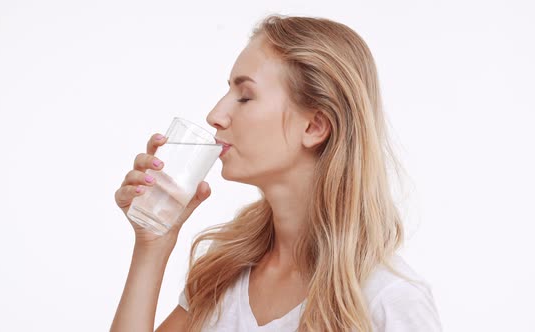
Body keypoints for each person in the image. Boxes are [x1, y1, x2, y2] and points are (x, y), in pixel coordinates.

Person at [110, 14, 442, 332]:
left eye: (244, 96)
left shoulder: (389, 301)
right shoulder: (224, 275)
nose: (215, 115)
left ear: (314, 126)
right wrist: (152, 243)